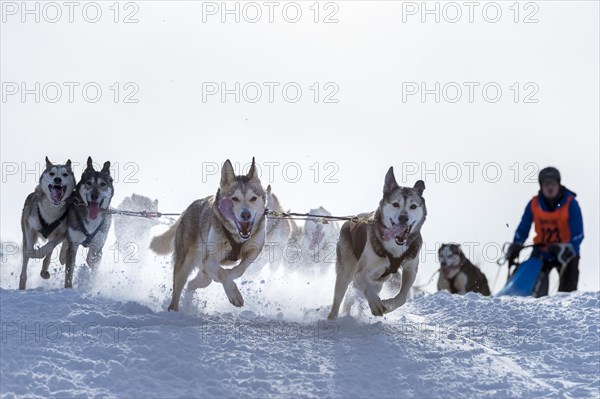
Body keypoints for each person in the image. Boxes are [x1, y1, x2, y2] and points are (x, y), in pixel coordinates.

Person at [507, 167, 584, 297]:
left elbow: (578, 233)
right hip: (542, 251)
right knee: (530, 282)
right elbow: (523, 228)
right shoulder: (534, 204)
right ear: (541, 186)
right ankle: (526, 302)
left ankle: (566, 307)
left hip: (565, 253)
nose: (550, 187)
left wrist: (567, 248)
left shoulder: (571, 204)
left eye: (553, 183)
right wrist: (516, 244)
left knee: (567, 291)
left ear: (558, 185)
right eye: (546, 184)